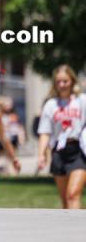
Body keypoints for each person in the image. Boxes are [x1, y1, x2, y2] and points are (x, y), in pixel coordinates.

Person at [37, 65, 86, 209]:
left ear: (72, 81)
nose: (62, 85)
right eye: (58, 81)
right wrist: (41, 154)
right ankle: (68, 229)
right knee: (65, 199)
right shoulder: (50, 105)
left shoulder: (82, 100)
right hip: (59, 150)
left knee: (73, 194)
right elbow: (45, 132)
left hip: (78, 150)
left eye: (65, 81)